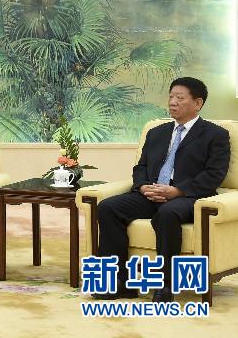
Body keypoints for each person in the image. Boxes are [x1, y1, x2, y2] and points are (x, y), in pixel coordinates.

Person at [92, 77, 230, 302]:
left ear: (198, 103)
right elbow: (141, 167)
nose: (173, 102)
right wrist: (142, 186)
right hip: (151, 193)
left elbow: (214, 175)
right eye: (171, 96)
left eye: (180, 98)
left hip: (189, 197)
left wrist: (178, 191)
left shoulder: (215, 135)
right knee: (108, 207)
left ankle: (165, 286)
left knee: (167, 213)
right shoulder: (156, 132)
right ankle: (118, 283)